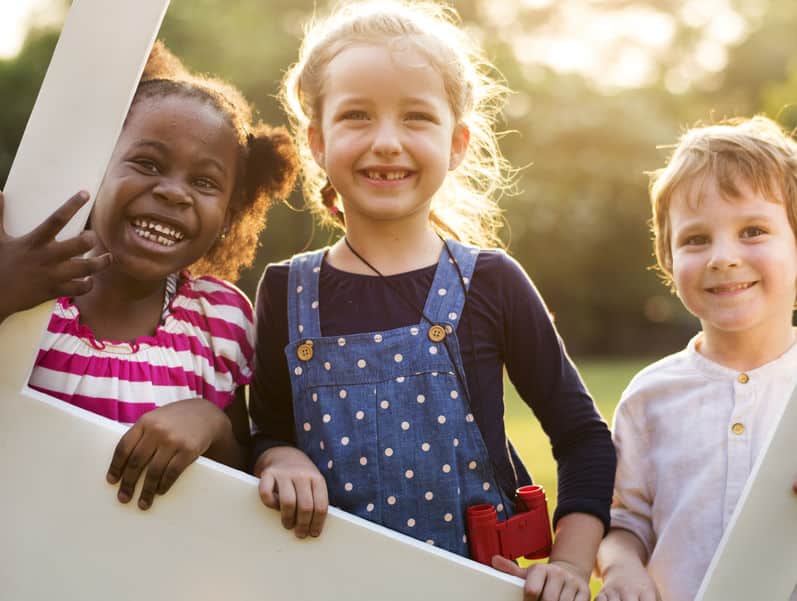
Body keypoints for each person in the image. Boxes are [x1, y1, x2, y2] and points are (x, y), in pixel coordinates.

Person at [249, 2, 615, 599]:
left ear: (458, 143)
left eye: (417, 117)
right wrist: (279, 458)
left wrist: (571, 565)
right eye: (357, 116)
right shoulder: (285, 290)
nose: (387, 142)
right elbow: (266, 433)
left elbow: (582, 438)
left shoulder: (492, 282)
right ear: (317, 141)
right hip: (323, 586)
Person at [1, 41, 298, 511]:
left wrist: (211, 424)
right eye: (148, 164)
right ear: (97, 168)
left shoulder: (219, 320)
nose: (174, 193)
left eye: (204, 183)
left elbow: (235, 487)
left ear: (230, 212)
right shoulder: (24, 275)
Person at [595, 116, 797, 601]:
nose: (722, 257)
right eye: (696, 239)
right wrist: (622, 569)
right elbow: (622, 524)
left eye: (752, 230)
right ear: (668, 260)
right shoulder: (651, 396)